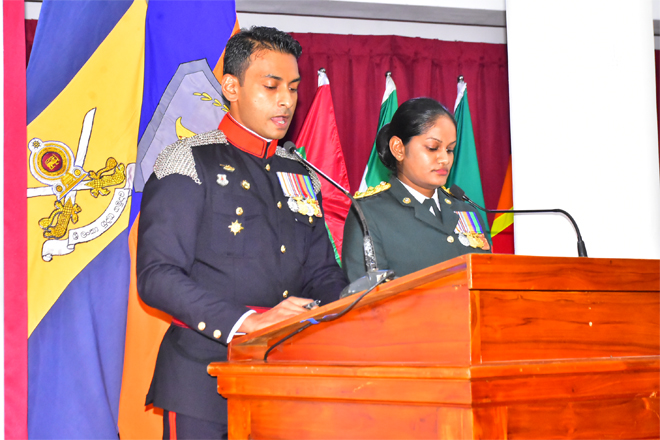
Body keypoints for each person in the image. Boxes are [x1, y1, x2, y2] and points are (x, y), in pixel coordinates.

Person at [136, 26, 347, 439]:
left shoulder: (300, 173)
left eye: (293, 88)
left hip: (286, 376)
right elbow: (157, 276)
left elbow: (322, 273)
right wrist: (250, 321)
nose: (286, 100)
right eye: (271, 86)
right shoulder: (188, 160)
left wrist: (354, 304)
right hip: (203, 377)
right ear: (231, 87)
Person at [342, 97, 491, 282]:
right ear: (398, 148)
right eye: (432, 148)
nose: (445, 159)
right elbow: (367, 293)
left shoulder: (465, 210)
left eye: (450, 150)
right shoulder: (368, 214)